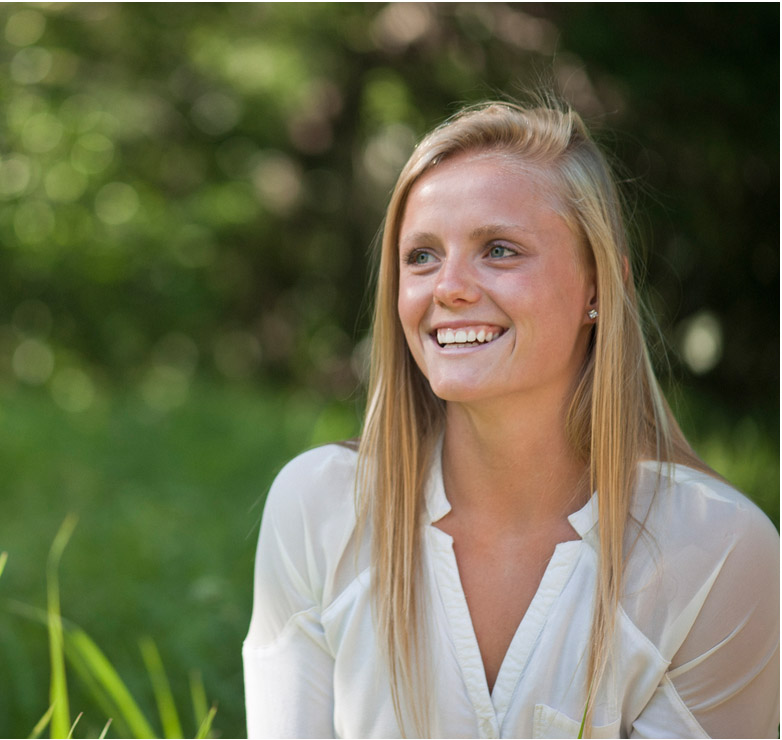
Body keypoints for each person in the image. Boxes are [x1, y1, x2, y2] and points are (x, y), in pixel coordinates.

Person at [242, 100, 779, 738]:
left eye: (498, 250)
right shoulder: (321, 506)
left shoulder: (716, 551)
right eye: (421, 256)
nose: (449, 287)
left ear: (598, 288)